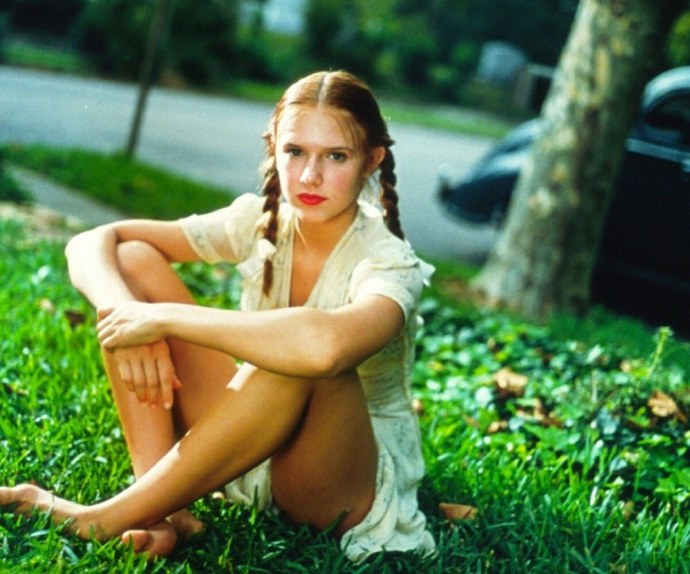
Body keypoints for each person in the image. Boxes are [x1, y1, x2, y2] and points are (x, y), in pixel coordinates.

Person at [0, 70, 436, 563]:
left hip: (339, 476)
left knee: (296, 357)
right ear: (273, 148)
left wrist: (162, 319)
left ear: (371, 160)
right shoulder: (261, 219)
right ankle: (164, 514)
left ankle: (102, 518)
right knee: (133, 262)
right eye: (295, 152)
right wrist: (124, 315)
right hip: (252, 440)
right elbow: (94, 243)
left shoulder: (389, 261)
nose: (309, 176)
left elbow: (323, 348)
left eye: (336, 156)